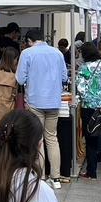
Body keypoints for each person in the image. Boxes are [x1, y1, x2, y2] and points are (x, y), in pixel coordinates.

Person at [15, 29, 68, 189]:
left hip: (35, 100)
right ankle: (56, 178)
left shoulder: (27, 53)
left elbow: (20, 79)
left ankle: (41, 176)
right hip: (54, 101)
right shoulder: (57, 53)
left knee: (38, 139)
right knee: (52, 138)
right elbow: (64, 77)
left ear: (29, 41)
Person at [75, 43, 101, 180]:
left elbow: (80, 88)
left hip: (90, 107)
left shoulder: (84, 68)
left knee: (91, 139)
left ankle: (92, 171)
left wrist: (90, 98)